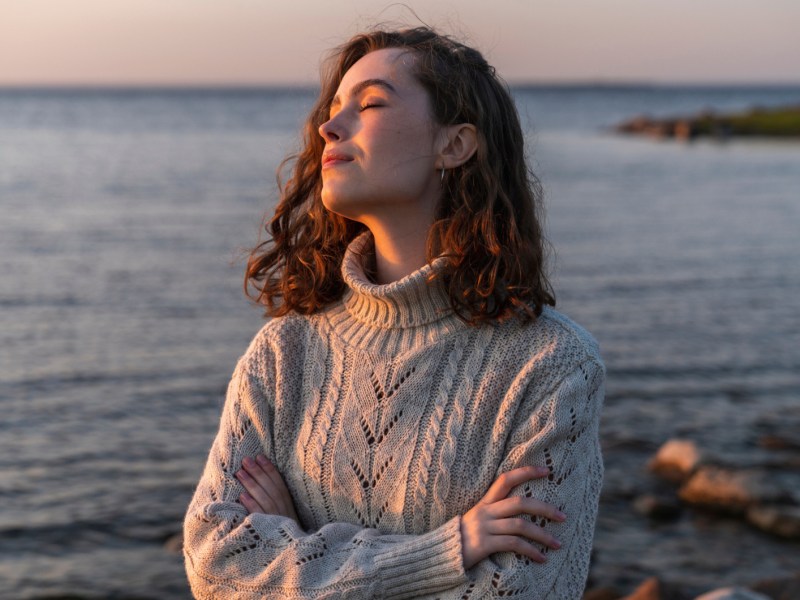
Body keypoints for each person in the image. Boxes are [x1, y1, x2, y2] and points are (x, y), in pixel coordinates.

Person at [183, 26, 604, 599]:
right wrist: (443, 552)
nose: (329, 127)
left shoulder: (549, 366)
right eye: (332, 109)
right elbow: (215, 565)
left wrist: (295, 541)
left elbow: (523, 591)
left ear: (454, 145)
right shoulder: (284, 354)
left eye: (371, 102)